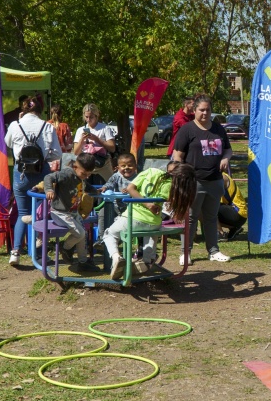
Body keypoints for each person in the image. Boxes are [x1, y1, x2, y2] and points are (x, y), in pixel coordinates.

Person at [102, 161, 197, 279]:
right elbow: (172, 209)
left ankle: (117, 258)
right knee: (150, 233)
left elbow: (130, 188)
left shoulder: (151, 171)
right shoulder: (174, 186)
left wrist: (147, 204)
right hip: (153, 222)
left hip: (133, 218)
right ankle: (147, 260)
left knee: (109, 234)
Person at [172, 94, 233, 264]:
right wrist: (181, 176)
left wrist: (225, 158)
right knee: (190, 218)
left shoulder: (218, 129)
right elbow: (177, 156)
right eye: (201, 110)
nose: (205, 113)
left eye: (208, 110)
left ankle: (213, 251)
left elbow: (228, 149)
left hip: (215, 180)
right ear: (194, 110)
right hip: (194, 182)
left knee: (211, 217)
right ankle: (186, 252)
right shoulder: (187, 130)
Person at [5, 95, 62, 266]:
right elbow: (57, 154)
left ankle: (15, 252)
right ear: (40, 110)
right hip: (41, 175)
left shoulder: (15, 125)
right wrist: (45, 155)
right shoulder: (47, 126)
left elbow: (8, 143)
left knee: (22, 214)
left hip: (20, 173)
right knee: (41, 214)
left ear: (23, 109)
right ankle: (38, 254)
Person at [43, 153, 99, 272]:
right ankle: (65, 247)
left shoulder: (81, 177)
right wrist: (49, 189)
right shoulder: (67, 174)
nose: (86, 176)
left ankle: (82, 262)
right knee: (80, 234)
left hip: (72, 212)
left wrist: (95, 190)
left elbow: (84, 185)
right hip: (59, 212)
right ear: (75, 167)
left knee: (83, 236)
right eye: (84, 173)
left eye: (89, 174)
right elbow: (49, 177)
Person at [72, 103, 116, 184]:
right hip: (85, 164)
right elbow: (76, 152)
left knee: (110, 185)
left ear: (96, 116)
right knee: (83, 189)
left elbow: (112, 148)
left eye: (91, 117)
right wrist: (82, 140)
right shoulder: (80, 130)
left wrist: (97, 139)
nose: (88, 120)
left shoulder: (105, 128)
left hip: (102, 164)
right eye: (86, 117)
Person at [217, 172, 247, 241]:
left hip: (238, 213)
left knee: (208, 207)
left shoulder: (222, 177)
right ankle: (234, 228)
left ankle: (221, 234)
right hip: (232, 212)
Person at [48, 104, 72, 169]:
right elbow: (68, 146)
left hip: (48, 158)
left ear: (51, 113)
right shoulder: (64, 126)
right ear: (61, 114)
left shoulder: (46, 125)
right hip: (61, 159)